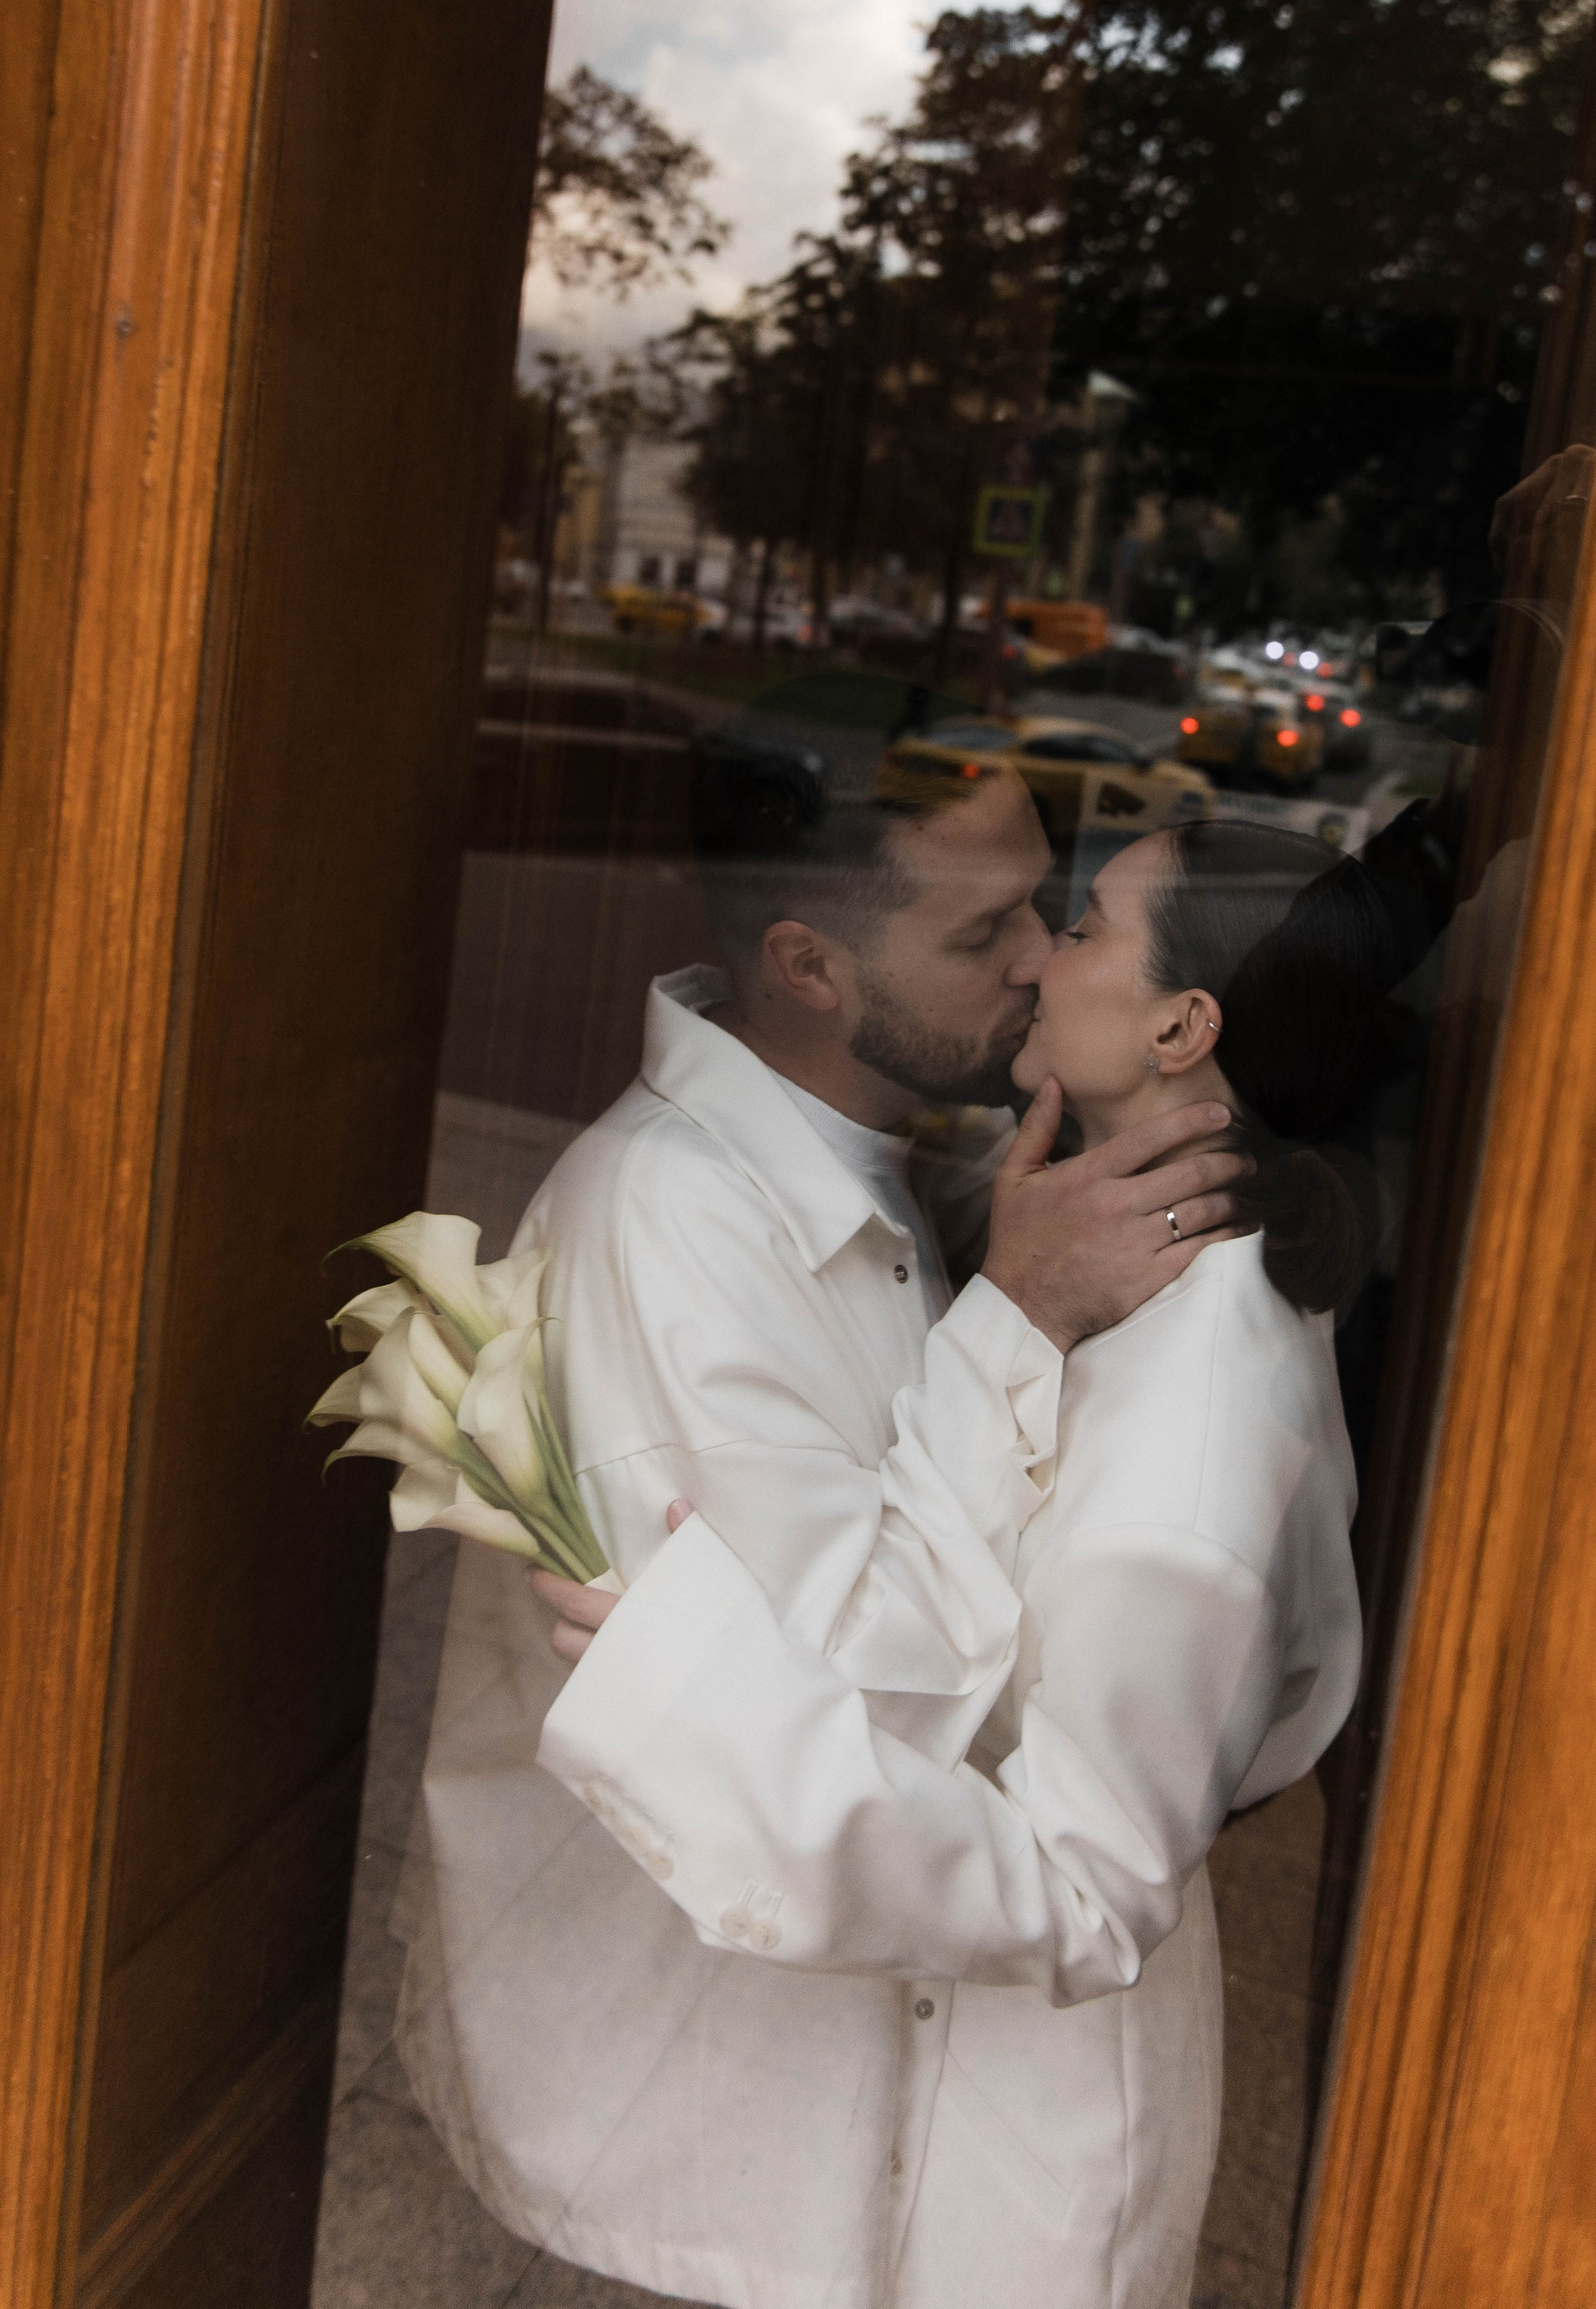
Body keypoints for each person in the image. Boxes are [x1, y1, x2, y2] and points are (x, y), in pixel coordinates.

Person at [392, 759, 1247, 2309]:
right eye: (983, 929)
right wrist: (1019, 1318)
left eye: (1047, 912)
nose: (1040, 962)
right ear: (807, 966)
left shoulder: (882, 1142)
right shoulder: (663, 1237)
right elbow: (847, 1703)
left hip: (821, 2071)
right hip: (693, 2121)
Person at [533, 820, 1383, 2309]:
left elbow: (1086, 1888)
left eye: (1084, 928)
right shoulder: (1086, 1243)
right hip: (940, 2058)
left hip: (1028, 2138)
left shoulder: (1196, 1423)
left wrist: (697, 1710)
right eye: (1008, 925)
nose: (1043, 960)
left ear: (1186, 1024)